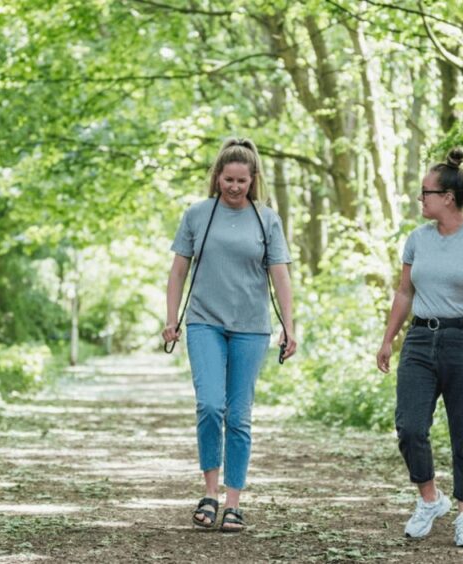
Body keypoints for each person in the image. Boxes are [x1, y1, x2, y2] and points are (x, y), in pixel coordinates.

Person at [163, 138, 297, 532]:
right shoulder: (198, 215)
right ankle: (209, 493)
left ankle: (234, 501)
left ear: (253, 180)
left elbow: (281, 276)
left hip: (251, 328)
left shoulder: (266, 219)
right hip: (205, 321)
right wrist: (171, 318)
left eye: (242, 180)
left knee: (238, 416)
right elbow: (177, 272)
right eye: (228, 179)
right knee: (209, 405)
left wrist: (291, 326)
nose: (235, 186)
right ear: (217, 178)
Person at [376, 148, 463, 548]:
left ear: (447, 197)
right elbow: (404, 292)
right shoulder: (417, 239)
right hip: (419, 340)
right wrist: (387, 339)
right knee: (409, 426)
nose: (421, 199)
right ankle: (430, 499)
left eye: (426, 192)